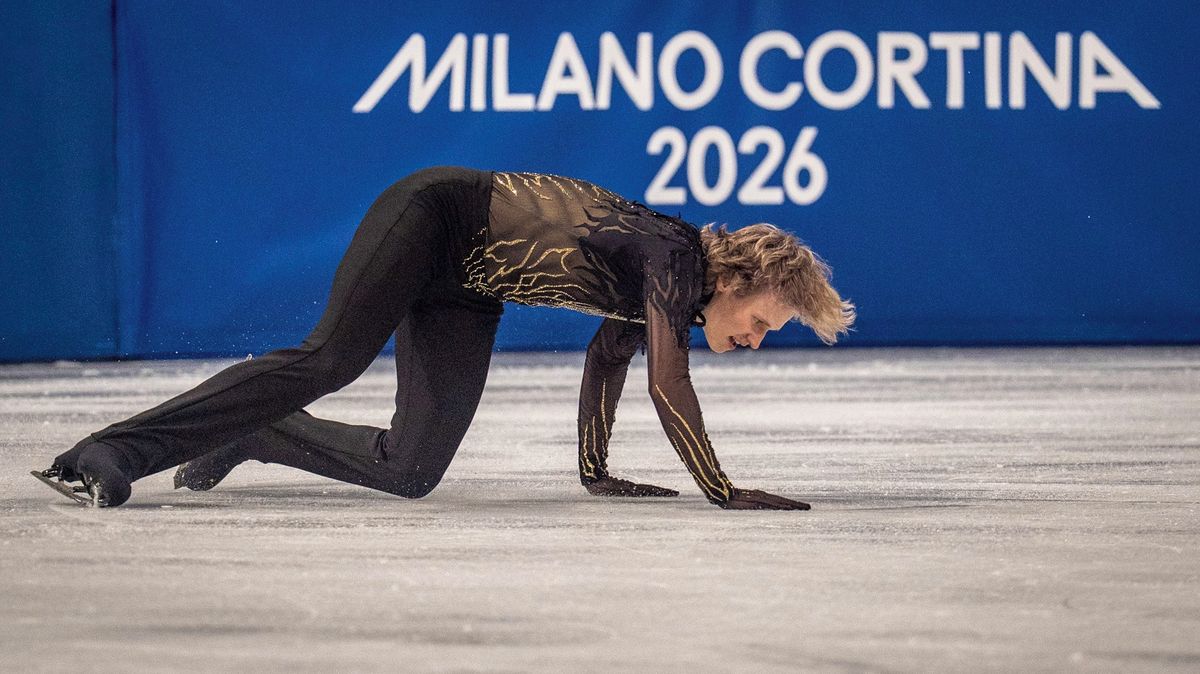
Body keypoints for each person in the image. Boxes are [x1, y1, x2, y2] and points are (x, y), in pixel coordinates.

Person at [34, 166, 855, 510]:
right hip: (431, 218)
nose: (754, 341)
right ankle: (110, 452)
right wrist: (721, 490)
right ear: (740, 281)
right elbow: (666, 386)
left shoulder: (666, 284)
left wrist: (595, 472)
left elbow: (610, 358)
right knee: (330, 359)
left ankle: (255, 429)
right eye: (762, 325)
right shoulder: (677, 259)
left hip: (466, 288)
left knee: (413, 469)